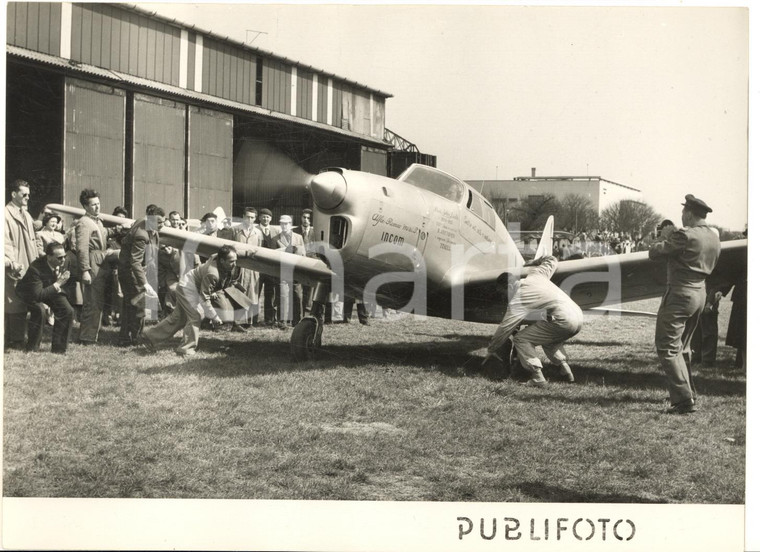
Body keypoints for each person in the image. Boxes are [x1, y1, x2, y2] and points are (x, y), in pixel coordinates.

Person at [649, 195, 721, 414]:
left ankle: (683, 400)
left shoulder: (684, 235)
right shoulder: (713, 235)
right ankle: (689, 393)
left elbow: (655, 253)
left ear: (689, 213)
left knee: (667, 347)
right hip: (700, 293)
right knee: (683, 347)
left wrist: (664, 237)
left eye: (683, 213)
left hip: (680, 294)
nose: (681, 216)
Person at [484, 255, 582, 387]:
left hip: (562, 320)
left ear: (509, 286)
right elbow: (552, 260)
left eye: (503, 293)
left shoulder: (518, 299)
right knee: (547, 338)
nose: (504, 297)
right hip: (578, 316)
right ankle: (566, 371)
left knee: (520, 339)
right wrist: (534, 262)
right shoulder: (536, 274)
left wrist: (491, 350)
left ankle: (538, 378)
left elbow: (504, 329)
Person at [141, 245, 239, 356]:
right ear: (222, 260)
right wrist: (214, 316)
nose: (235, 264)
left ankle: (150, 336)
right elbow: (204, 298)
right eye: (231, 261)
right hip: (187, 289)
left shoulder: (218, 258)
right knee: (196, 315)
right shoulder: (212, 273)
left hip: (190, 287)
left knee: (178, 318)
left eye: (236, 260)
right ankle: (186, 349)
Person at [75, 188, 125, 344]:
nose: (97, 207)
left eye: (98, 203)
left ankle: (92, 334)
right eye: (93, 205)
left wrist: (116, 230)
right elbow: (81, 248)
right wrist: (85, 271)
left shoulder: (97, 221)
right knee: (92, 301)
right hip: (93, 262)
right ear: (85, 206)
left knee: (99, 300)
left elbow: (102, 233)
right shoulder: (83, 223)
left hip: (101, 261)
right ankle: (86, 337)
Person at [117, 205, 164, 346]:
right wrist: (145, 283)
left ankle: (126, 338)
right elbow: (135, 262)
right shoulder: (141, 235)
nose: (162, 225)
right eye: (158, 222)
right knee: (138, 305)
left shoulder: (148, 226)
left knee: (131, 305)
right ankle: (134, 338)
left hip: (133, 270)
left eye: (163, 221)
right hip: (129, 271)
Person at [15, 242, 74, 353]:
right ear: (49, 257)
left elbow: (67, 282)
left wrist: (60, 288)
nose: (63, 260)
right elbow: (38, 295)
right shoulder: (35, 268)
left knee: (67, 310)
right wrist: (59, 283)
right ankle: (32, 347)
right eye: (59, 258)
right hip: (30, 293)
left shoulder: (66, 261)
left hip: (49, 289)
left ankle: (59, 349)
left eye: (64, 256)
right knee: (40, 310)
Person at [5, 179, 39, 349]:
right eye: (23, 194)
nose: (27, 197)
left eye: (28, 194)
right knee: (14, 302)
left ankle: (19, 338)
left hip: (29, 264)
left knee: (24, 302)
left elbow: (33, 240)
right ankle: (13, 340)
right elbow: (5, 242)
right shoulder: (5, 214)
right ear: (13, 194)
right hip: (15, 265)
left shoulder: (26, 214)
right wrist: (12, 263)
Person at [232, 207, 263, 327]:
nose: (249, 219)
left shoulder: (258, 233)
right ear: (243, 217)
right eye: (247, 217)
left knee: (252, 293)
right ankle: (237, 321)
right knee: (238, 292)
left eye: (252, 217)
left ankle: (249, 321)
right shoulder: (235, 230)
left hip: (252, 268)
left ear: (255, 219)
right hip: (238, 266)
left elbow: (258, 249)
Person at [273, 214, 305, 327]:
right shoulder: (275, 239)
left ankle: (297, 321)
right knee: (283, 296)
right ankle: (282, 321)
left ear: (290, 224)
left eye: (286, 223)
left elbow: (303, 254)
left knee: (297, 296)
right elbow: (273, 256)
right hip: (282, 271)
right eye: (282, 223)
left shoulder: (298, 237)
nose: (284, 226)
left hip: (296, 271)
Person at [691, 286, 723, 368]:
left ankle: (707, 360)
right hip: (696, 293)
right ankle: (696, 357)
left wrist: (710, 302)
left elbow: (717, 282)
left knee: (708, 328)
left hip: (710, 294)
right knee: (695, 329)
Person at [256, 208, 278, 325]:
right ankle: (253, 320)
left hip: (270, 268)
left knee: (270, 294)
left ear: (271, 218)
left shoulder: (275, 231)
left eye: (268, 217)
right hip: (257, 267)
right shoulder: (255, 230)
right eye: (263, 216)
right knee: (255, 293)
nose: (265, 219)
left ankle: (269, 319)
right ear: (259, 218)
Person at [293, 208, 315, 315]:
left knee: (309, 291)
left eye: (308, 218)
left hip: (311, 266)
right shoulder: (294, 232)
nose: (306, 220)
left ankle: (307, 313)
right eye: (304, 217)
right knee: (297, 291)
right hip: (298, 265)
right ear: (301, 218)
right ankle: (298, 315)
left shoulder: (315, 233)